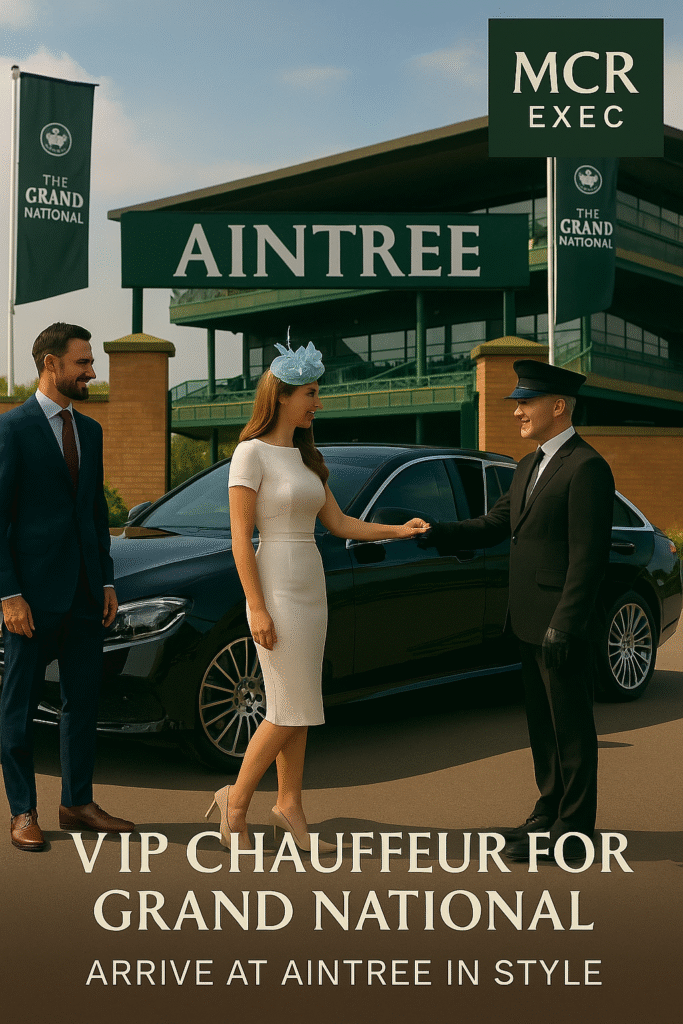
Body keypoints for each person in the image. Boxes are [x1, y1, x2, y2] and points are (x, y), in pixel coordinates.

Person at [205, 338, 428, 850]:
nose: (317, 402)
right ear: (281, 395)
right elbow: (240, 539)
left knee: (300, 702)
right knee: (285, 708)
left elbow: (340, 522)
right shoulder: (249, 453)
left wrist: (401, 530)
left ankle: (288, 806)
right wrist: (256, 606)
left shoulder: (308, 457)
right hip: (275, 586)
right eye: (310, 392)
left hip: (311, 585)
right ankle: (235, 802)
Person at [421, 360, 615, 862]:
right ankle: (548, 811)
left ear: (557, 406)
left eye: (525, 403)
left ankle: (574, 832)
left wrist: (565, 624)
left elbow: (588, 557)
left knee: (571, 728)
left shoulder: (588, 467)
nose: (517, 412)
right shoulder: (529, 465)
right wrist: (434, 531)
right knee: (542, 726)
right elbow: (494, 523)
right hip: (527, 620)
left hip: (559, 625)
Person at [0, 323, 135, 851]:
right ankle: (22, 812)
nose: (92, 372)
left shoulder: (92, 431)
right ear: (51, 364)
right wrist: (8, 594)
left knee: (83, 702)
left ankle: (77, 802)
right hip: (30, 601)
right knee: (20, 706)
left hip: (83, 595)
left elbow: (95, 514)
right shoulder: (12, 430)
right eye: (83, 363)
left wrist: (104, 578)